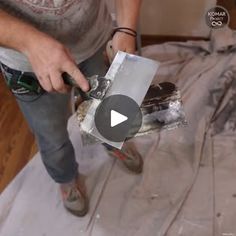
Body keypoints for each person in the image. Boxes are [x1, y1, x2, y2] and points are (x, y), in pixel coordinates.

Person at [0, 0, 143, 217]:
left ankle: (113, 141)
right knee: (52, 136)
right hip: (25, 64)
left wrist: (127, 28)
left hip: (95, 40)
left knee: (109, 107)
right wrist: (29, 42)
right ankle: (66, 178)